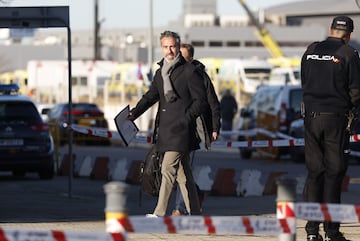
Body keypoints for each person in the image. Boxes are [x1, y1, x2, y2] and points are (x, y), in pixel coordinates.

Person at [127, 30, 207, 216]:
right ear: (161, 48)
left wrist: (186, 119)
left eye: (172, 46)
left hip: (182, 132)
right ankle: (195, 214)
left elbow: (200, 101)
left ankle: (159, 213)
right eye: (165, 46)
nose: (169, 50)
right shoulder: (160, 72)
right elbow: (151, 97)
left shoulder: (189, 71)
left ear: (178, 46)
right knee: (183, 174)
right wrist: (135, 113)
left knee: (167, 169)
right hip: (166, 131)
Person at [301, 16, 360, 241]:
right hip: (335, 118)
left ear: (330, 30)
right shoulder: (349, 54)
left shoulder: (311, 50)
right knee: (334, 174)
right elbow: (356, 91)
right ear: (349, 35)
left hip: (311, 118)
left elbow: (304, 81)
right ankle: (332, 231)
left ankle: (311, 230)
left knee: (315, 173)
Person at [172, 43, 221, 216]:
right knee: (180, 169)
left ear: (191, 59)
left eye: (183, 58)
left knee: (182, 169)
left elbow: (213, 103)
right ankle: (196, 195)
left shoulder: (201, 77)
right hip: (175, 129)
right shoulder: (174, 74)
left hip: (193, 131)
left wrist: (215, 127)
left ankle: (180, 208)